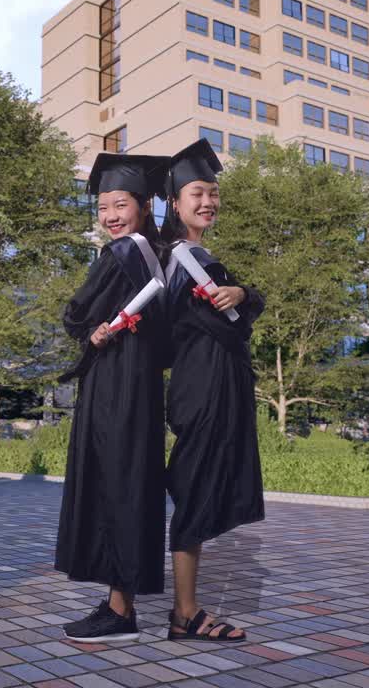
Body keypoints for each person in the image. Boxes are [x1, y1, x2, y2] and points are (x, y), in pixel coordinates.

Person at [55, 151, 170, 643]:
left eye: (119, 204)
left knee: (114, 486)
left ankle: (120, 613)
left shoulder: (124, 254)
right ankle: (118, 603)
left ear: (144, 205)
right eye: (102, 208)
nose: (110, 216)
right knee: (129, 485)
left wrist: (90, 332)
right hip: (140, 386)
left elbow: (76, 313)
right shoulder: (164, 254)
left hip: (114, 388)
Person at [158, 138, 265, 642]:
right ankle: (185, 612)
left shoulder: (197, 257)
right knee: (195, 498)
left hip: (212, 393)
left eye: (214, 193)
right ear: (175, 202)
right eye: (198, 192)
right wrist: (245, 299)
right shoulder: (179, 260)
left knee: (197, 496)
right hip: (200, 395)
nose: (209, 202)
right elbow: (236, 324)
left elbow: (240, 309)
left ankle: (187, 608)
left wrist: (243, 291)